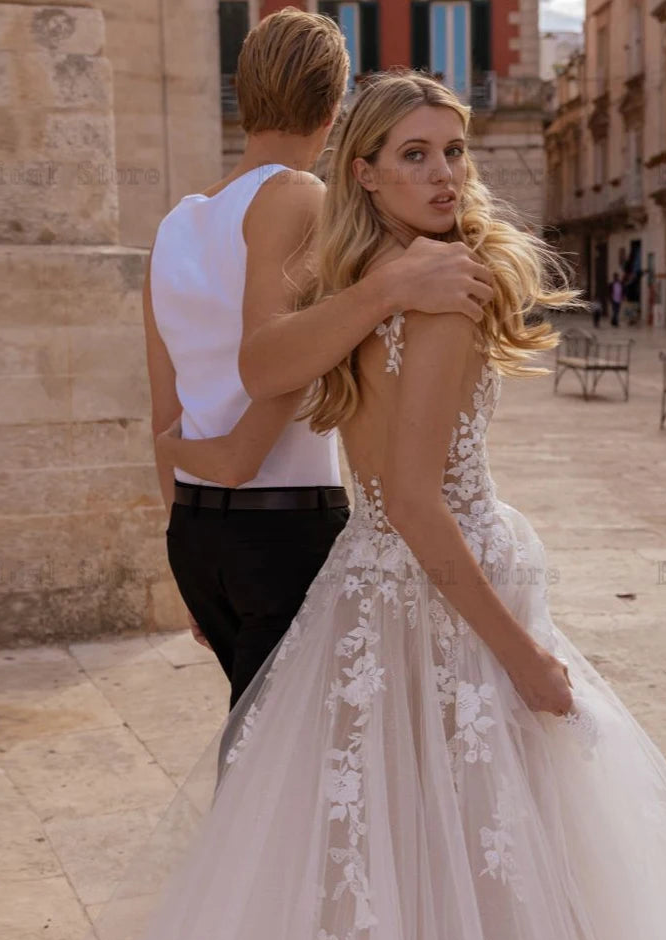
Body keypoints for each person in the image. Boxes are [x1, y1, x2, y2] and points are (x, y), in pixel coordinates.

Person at [49, 71, 666, 940]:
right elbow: (414, 500)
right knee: (479, 833)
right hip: (446, 590)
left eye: (454, 151)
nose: (444, 175)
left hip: (366, 589)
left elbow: (269, 371)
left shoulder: (354, 284)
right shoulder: (430, 294)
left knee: (384, 834)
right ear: (363, 174)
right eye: (414, 156)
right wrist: (525, 660)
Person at [144, 9, 493, 716]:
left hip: (196, 531)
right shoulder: (301, 196)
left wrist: (189, 551)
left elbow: (166, 409)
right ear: (336, 109)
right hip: (286, 525)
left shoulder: (176, 222)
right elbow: (285, 363)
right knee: (284, 773)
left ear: (242, 94)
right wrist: (391, 284)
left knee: (264, 755)